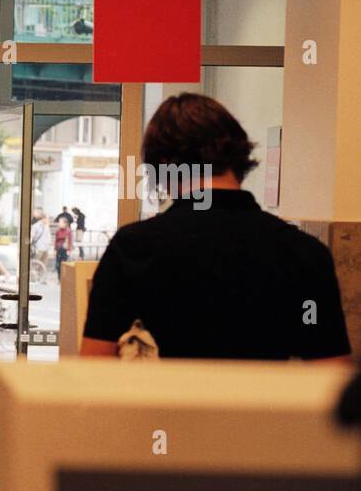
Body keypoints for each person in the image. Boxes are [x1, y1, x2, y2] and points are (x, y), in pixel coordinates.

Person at [81, 93, 351, 361]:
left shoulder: (133, 248)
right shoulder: (305, 253)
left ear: (162, 167)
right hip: (265, 404)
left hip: (164, 402)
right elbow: (330, 373)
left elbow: (96, 366)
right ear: (239, 157)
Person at [53, 215, 75, 280]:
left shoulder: (68, 231)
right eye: (59, 222)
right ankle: (59, 278)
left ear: (65, 223)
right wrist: (54, 250)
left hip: (65, 250)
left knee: (65, 264)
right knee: (58, 265)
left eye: (60, 222)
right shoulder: (58, 231)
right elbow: (55, 240)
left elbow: (70, 241)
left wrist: (69, 250)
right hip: (58, 249)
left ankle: (64, 278)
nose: (59, 223)